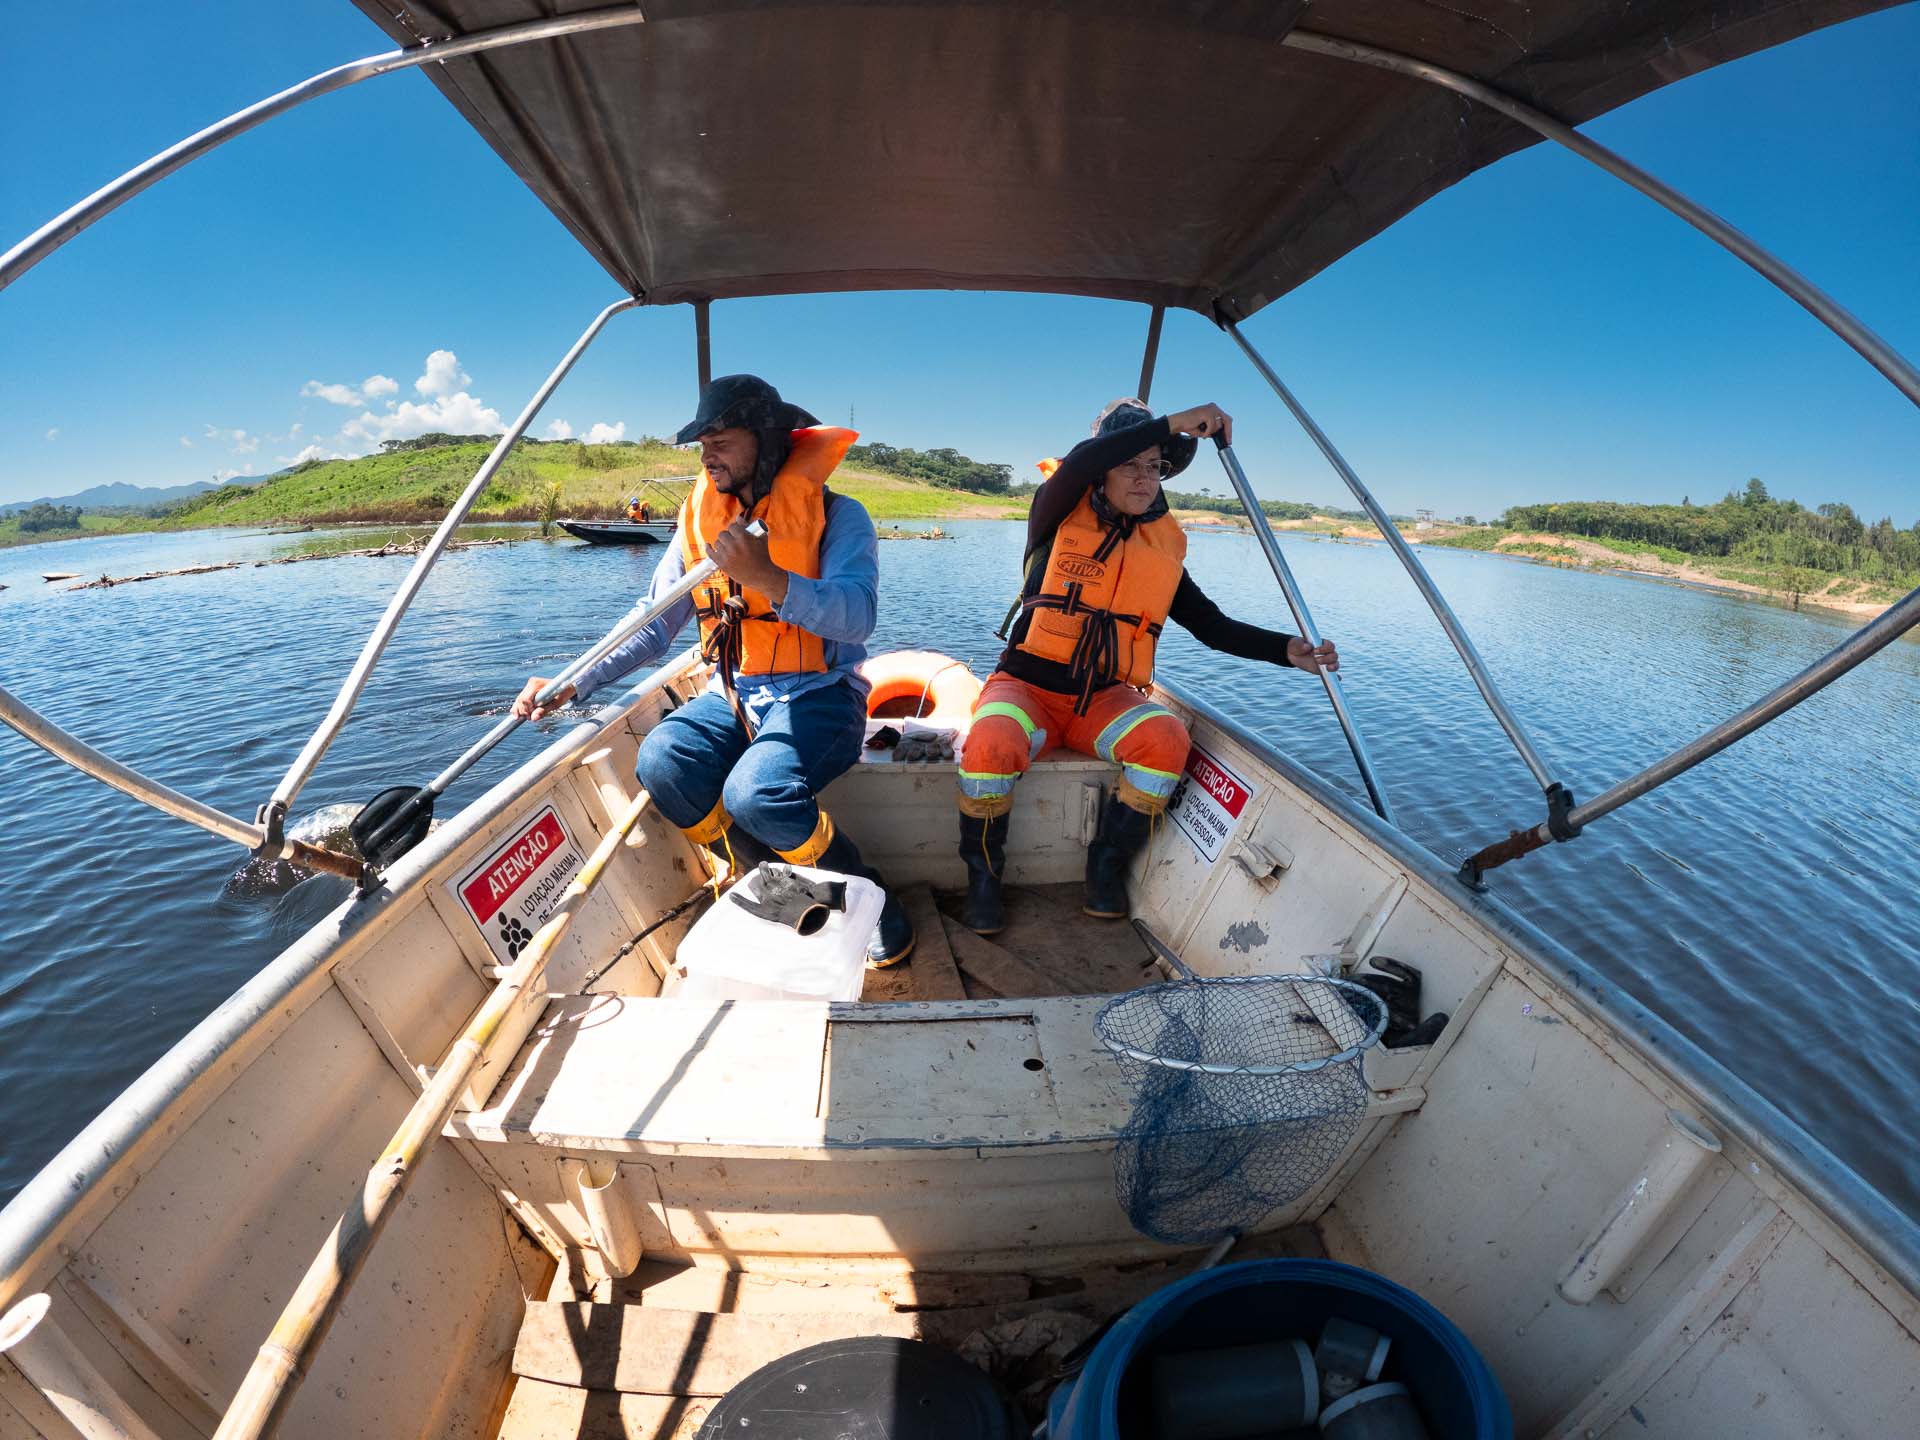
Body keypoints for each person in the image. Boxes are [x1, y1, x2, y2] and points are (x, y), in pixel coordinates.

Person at [515, 374, 915, 967]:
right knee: (663, 761)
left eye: (721, 442)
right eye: (702, 444)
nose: (707, 456)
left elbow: (858, 618)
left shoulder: (840, 515)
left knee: (756, 794)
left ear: (767, 440)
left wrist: (769, 578)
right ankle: (778, 888)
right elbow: (654, 623)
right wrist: (575, 679)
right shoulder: (698, 519)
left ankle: (867, 902)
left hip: (823, 696)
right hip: (735, 693)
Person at [954, 399, 1340, 934]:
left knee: (1166, 739)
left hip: (1102, 701)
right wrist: (1175, 423)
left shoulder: (1160, 550)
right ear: (1101, 472)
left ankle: (1106, 865)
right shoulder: (1055, 510)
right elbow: (1080, 463)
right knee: (991, 743)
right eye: (1129, 464)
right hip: (1026, 688)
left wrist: (1284, 650)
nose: (1144, 478)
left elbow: (1212, 626)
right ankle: (983, 878)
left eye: (1154, 466)